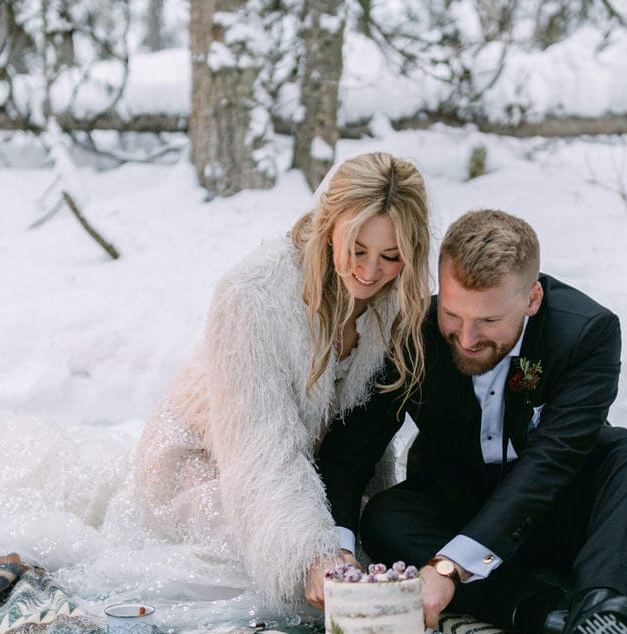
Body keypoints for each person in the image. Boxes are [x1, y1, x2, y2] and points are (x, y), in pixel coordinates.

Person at [314, 209, 627, 634]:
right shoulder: (412, 330)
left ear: (532, 299)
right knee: (384, 517)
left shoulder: (587, 332)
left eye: (488, 321)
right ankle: (546, 615)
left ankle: (605, 615)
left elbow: (553, 460)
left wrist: (446, 569)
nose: (466, 338)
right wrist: (335, 552)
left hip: (565, 505)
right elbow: (352, 450)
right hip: (460, 505)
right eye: (453, 315)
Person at [132, 152, 431, 606]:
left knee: (373, 565)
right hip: (217, 458)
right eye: (356, 250)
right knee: (266, 580)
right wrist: (313, 554)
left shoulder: (397, 297)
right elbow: (262, 451)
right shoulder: (252, 295)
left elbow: (368, 432)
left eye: (391, 256)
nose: (370, 273)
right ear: (328, 222)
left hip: (322, 465)